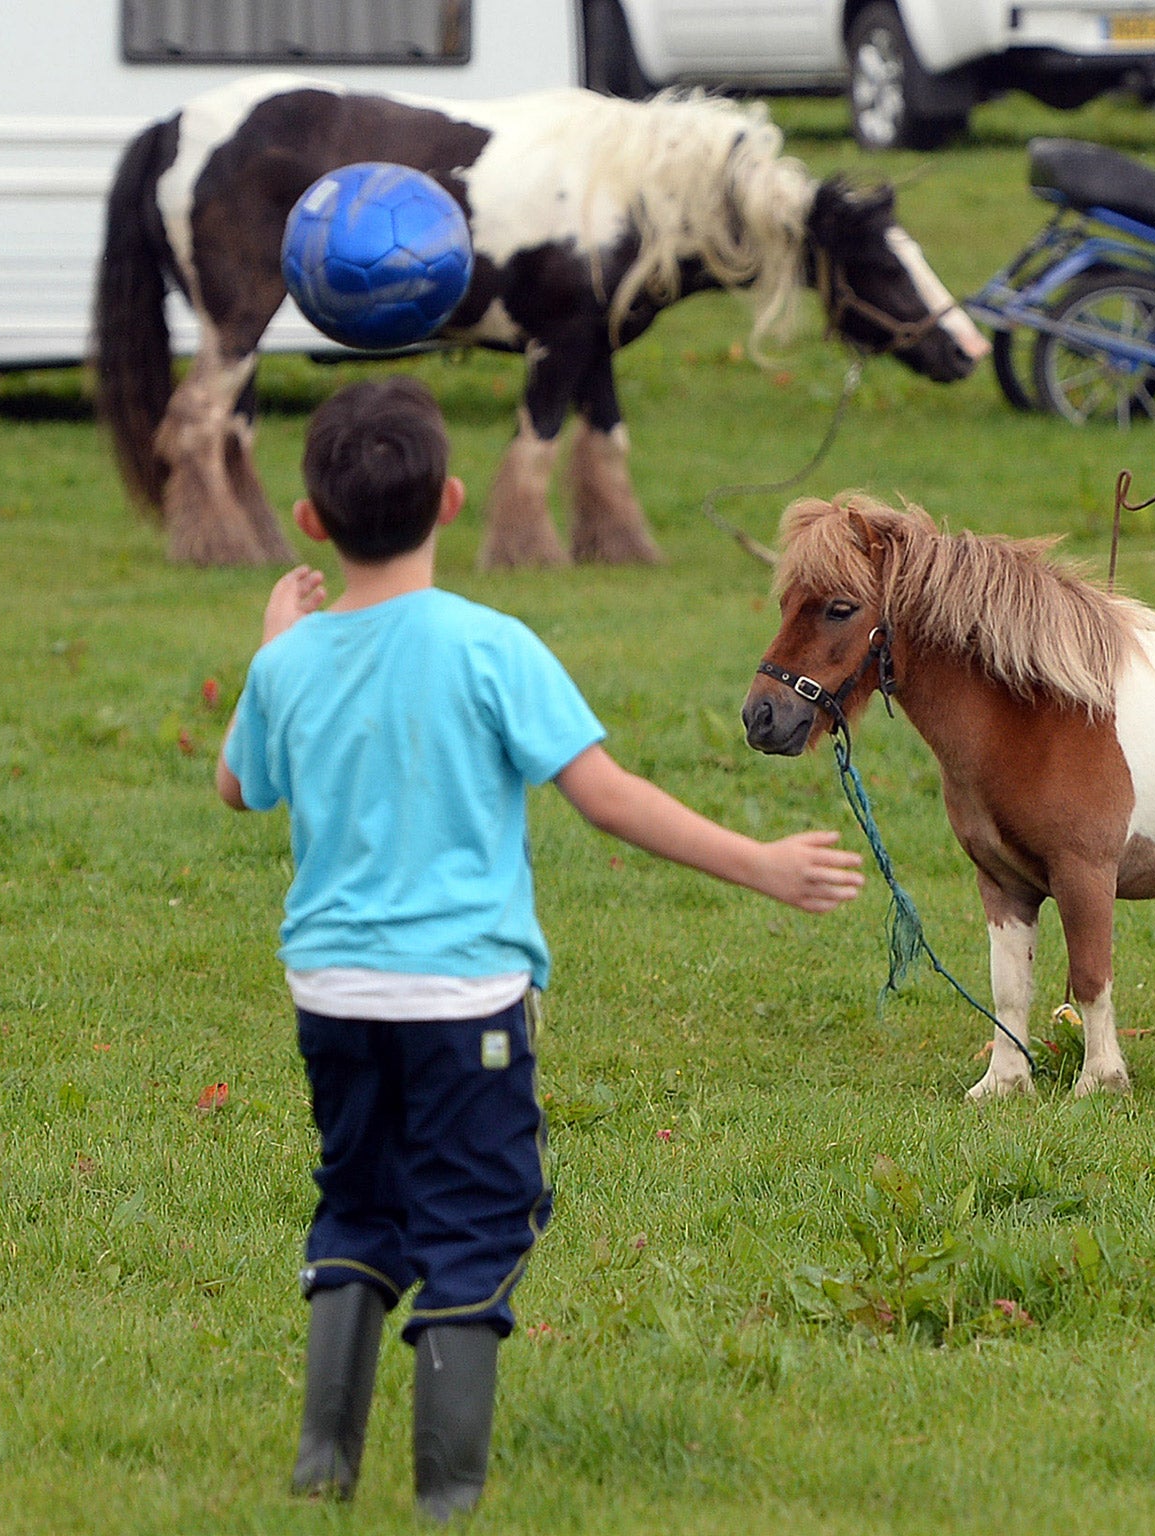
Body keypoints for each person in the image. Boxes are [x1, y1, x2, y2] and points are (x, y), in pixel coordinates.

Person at [215, 376, 862, 1520]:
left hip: (331, 997)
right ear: (454, 501)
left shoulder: (292, 661)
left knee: (355, 1204)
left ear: (309, 522)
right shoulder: (490, 645)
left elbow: (236, 786)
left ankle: (322, 1473)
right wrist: (757, 863)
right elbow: (606, 799)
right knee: (471, 1222)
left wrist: (275, 644)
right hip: (464, 1003)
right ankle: (449, 1498)